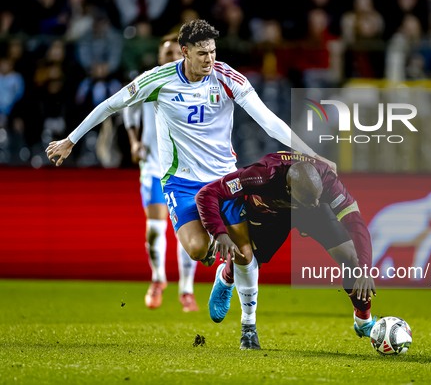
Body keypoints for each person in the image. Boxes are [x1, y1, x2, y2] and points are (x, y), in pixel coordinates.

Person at [45, 20, 334, 329]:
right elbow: (110, 105)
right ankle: (204, 265)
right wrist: (71, 140)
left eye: (212, 51)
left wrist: (310, 153)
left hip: (225, 179)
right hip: (180, 182)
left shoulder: (227, 77)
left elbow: (268, 121)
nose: (209, 59)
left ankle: (247, 322)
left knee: (245, 253)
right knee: (197, 250)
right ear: (184, 53)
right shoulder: (159, 79)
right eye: (201, 53)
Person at [196, 152, 376, 350]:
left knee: (353, 259)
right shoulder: (261, 175)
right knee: (247, 257)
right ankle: (226, 276)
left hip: (311, 214)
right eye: (310, 200)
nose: (315, 203)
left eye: (317, 197)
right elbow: (207, 194)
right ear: (288, 189)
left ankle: (363, 321)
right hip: (271, 214)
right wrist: (219, 232)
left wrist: (365, 270)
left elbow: (355, 222)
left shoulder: (327, 180)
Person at [122, 33, 198, 313]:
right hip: (154, 167)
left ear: (185, 55)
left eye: (177, 54)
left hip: (186, 170)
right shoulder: (148, 83)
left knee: (186, 232)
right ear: (159, 58)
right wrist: (134, 142)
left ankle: (186, 290)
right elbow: (128, 113)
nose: (172, 58)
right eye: (167, 54)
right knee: (155, 229)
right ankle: (157, 279)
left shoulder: (195, 87)